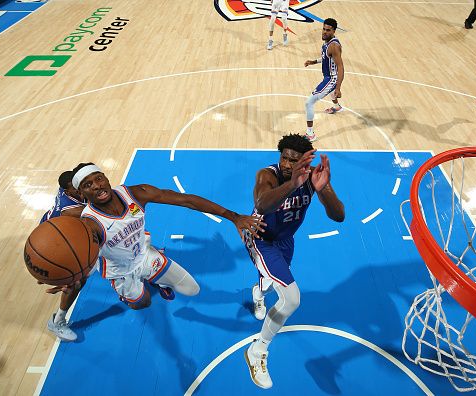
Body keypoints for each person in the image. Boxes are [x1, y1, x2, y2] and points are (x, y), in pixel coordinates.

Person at [71, 163, 266, 310]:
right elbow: (84, 257)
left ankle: (156, 278)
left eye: (98, 179)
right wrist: (69, 277)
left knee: (192, 290)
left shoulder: (137, 193)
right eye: (88, 185)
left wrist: (233, 216)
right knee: (142, 303)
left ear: (105, 177)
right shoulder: (89, 223)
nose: (96, 186)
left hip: (144, 254)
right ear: (81, 193)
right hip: (121, 271)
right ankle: (126, 292)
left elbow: (187, 200)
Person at [243, 134, 345, 389]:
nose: (288, 164)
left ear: (305, 161)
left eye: (294, 160)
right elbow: (262, 204)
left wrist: (324, 190)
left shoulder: (313, 178)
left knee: (270, 283)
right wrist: (292, 183)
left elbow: (339, 215)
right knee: (291, 298)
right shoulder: (267, 175)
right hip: (260, 238)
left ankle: (259, 292)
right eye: (285, 158)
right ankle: (257, 352)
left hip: (286, 240)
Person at [40, 170, 87, 342]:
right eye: (76, 189)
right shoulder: (72, 210)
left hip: (59, 232)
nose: (80, 190)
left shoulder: (69, 187)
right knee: (76, 281)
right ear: (67, 191)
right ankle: (57, 322)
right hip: (55, 245)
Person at [303, 18, 344, 143]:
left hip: (331, 79)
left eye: (328, 30)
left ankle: (310, 134)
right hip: (329, 76)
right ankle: (336, 107)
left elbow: (340, 66)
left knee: (309, 103)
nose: (325, 32)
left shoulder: (334, 46)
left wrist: (338, 87)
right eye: (324, 29)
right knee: (330, 92)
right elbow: (325, 57)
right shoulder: (327, 43)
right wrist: (313, 61)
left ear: (334, 31)